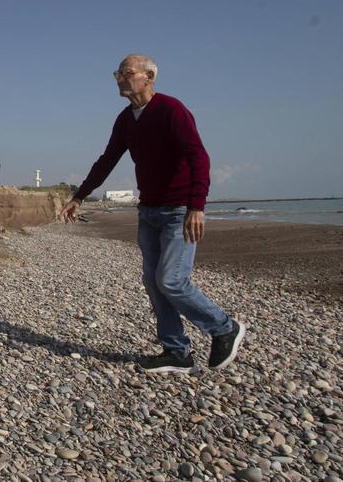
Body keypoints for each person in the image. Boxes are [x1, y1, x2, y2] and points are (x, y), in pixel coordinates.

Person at [59, 54, 245, 374]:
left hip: (179, 210)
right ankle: (176, 352)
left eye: (126, 72)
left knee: (171, 280)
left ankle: (224, 327)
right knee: (154, 282)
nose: (119, 78)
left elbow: (198, 156)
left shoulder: (171, 109)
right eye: (117, 73)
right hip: (149, 212)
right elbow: (107, 160)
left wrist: (197, 206)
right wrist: (80, 196)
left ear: (149, 77)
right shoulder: (125, 119)